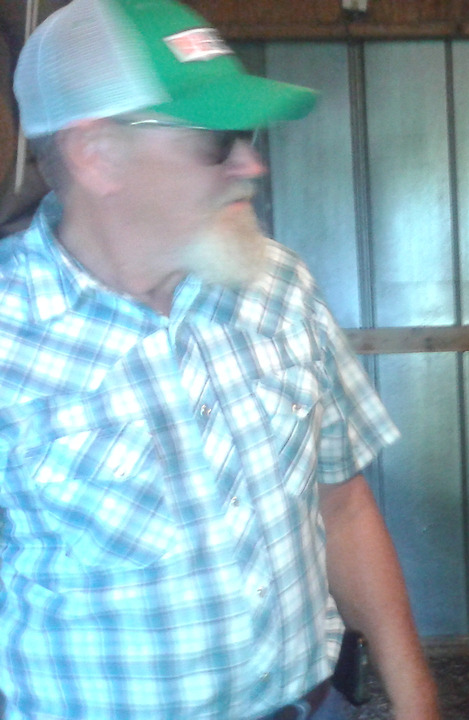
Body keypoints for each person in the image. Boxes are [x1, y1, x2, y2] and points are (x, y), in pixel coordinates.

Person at [0, 0, 440, 718]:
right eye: (216, 140)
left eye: (248, 134)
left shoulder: (279, 286)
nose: (251, 163)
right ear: (97, 154)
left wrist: (417, 700)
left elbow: (343, 505)